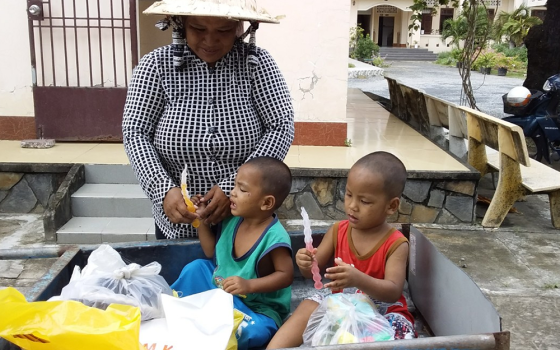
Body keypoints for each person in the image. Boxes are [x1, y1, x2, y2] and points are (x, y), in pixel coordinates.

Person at [122, 0, 294, 239]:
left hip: (246, 220)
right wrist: (163, 190)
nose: (210, 41)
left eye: (223, 31)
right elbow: (135, 132)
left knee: (242, 276)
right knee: (187, 275)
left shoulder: (257, 64)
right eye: (199, 29)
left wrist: (233, 187)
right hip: (180, 221)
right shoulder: (155, 66)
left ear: (240, 28)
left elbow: (280, 127)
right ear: (181, 24)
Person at [267, 151, 416, 348]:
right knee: (309, 304)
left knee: (400, 332)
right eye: (349, 194)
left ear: (391, 206)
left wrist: (358, 279)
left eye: (364, 201)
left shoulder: (396, 244)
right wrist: (305, 262)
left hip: (382, 310)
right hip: (342, 303)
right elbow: (313, 273)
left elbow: (393, 292)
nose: (352, 206)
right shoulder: (339, 230)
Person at [170, 156, 294, 350]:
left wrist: (249, 285)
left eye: (242, 189)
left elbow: (285, 275)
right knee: (196, 268)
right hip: (224, 290)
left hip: (257, 309)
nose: (232, 193)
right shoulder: (233, 220)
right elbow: (211, 251)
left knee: (255, 331)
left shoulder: (275, 237)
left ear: (266, 203)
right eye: (235, 186)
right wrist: (201, 218)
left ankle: (209, 329)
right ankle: (176, 308)